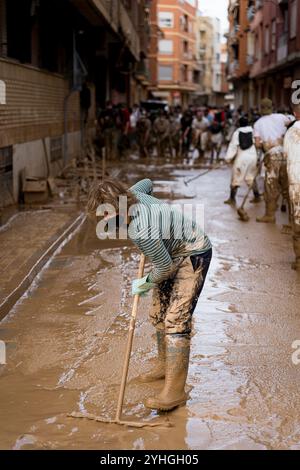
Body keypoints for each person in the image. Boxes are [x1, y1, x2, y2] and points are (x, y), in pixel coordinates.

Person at [87, 179, 212, 411]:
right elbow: (147, 183)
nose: (104, 220)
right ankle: (164, 365)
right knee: (158, 314)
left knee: (176, 319)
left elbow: (164, 268)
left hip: (194, 253)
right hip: (171, 251)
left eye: (107, 215)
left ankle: (175, 391)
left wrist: (145, 282)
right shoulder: (134, 193)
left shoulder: (140, 229)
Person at [254, 98, 292, 223]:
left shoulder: (258, 123)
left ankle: (270, 215)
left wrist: (263, 144)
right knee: (287, 185)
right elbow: (292, 124)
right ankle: (293, 218)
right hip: (287, 154)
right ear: (272, 107)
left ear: (261, 108)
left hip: (272, 156)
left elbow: (258, 144)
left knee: (271, 186)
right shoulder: (281, 117)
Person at [224, 117, 258, 206]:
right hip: (253, 156)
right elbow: (258, 143)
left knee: (236, 177)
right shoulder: (253, 131)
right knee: (250, 177)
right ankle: (257, 196)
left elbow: (233, 147)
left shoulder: (237, 133)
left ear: (239, 124)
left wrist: (228, 158)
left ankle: (232, 199)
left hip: (242, 157)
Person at [284, 103, 300, 271]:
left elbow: (286, 153)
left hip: (296, 179)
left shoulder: (290, 132)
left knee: (297, 217)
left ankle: (299, 259)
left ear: (295, 114)